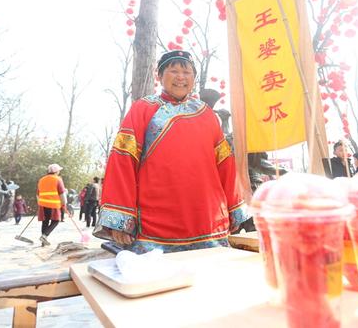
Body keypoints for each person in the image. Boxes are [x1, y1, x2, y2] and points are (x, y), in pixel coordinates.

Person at [94, 50, 247, 254]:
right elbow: (123, 161)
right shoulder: (143, 109)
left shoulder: (207, 114)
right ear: (159, 76)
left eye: (187, 72)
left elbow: (225, 165)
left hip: (209, 224)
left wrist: (234, 209)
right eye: (173, 71)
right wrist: (120, 217)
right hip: (155, 228)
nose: (181, 77)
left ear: (194, 78)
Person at [36, 163, 67, 246]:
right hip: (53, 204)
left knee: (45, 222)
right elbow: (62, 193)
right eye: (59, 171)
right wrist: (64, 203)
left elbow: (38, 194)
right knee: (56, 221)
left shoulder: (41, 180)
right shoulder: (58, 179)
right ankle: (44, 236)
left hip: (43, 204)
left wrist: (39, 203)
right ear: (56, 171)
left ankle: (43, 242)